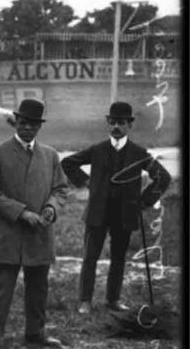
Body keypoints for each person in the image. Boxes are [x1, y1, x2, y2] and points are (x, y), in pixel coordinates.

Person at [61, 101, 171, 314]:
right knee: (90, 257)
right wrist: (86, 182)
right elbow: (68, 163)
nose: (116, 127)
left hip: (124, 213)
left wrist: (144, 201)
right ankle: (85, 300)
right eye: (112, 122)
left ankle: (113, 299)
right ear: (107, 124)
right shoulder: (97, 150)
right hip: (98, 212)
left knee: (118, 259)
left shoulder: (139, 153)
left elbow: (163, 177)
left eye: (121, 123)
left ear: (130, 125)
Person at [0, 98, 69, 349]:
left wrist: (52, 207)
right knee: (2, 287)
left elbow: (61, 189)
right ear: (15, 122)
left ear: (39, 127)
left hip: (39, 234)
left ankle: (35, 333)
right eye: (23, 122)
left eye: (33, 124)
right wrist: (22, 213)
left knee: (39, 288)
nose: (28, 128)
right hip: (7, 233)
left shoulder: (50, 156)